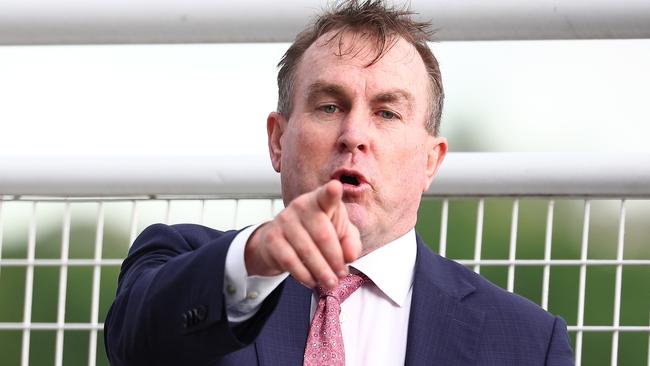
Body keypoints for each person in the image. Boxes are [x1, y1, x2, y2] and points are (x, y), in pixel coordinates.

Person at [104, 1, 574, 365]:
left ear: (431, 161)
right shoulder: (183, 260)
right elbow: (134, 341)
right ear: (278, 139)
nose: (354, 135)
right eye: (329, 106)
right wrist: (257, 259)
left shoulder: (529, 342)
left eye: (387, 113)